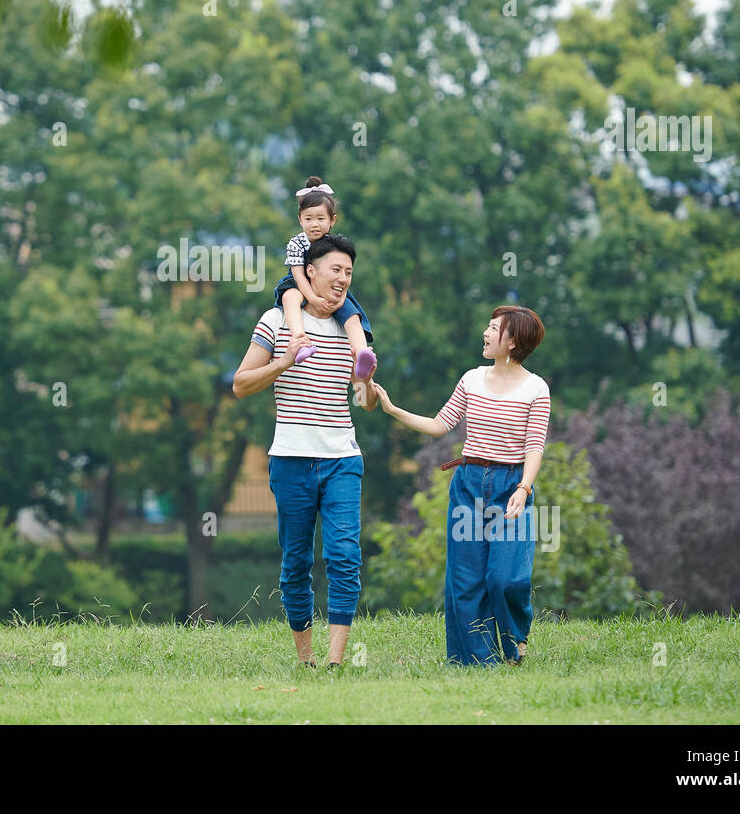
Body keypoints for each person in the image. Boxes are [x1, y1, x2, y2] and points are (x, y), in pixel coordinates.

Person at [371, 306, 550, 667]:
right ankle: (480, 663)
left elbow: (535, 445)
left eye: (494, 327)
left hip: (510, 486)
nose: (485, 332)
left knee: (506, 578)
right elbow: (440, 424)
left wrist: (524, 488)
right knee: (466, 579)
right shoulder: (471, 379)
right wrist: (391, 409)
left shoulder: (536, 388)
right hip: (468, 484)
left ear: (512, 341)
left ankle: (515, 639)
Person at [233, 234, 377, 669]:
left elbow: (365, 403)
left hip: (342, 458)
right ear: (309, 271)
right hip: (291, 458)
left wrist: (367, 385)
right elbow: (240, 384)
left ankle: (335, 661)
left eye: (349, 273)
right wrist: (282, 362)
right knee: (296, 562)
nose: (343, 279)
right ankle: (306, 660)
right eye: (336, 269)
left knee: (344, 556)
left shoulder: (354, 327)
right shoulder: (276, 320)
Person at [276, 176, 378, 407]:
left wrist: (336, 294)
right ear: (300, 219)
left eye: (320, 219)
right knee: (290, 297)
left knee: (352, 314)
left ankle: (362, 353)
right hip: (298, 282)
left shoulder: (333, 244)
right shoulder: (296, 243)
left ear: (332, 220)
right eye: (309, 219)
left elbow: (339, 274)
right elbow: (299, 274)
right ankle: (300, 340)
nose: (314, 224)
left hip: (328, 291)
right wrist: (311, 297)